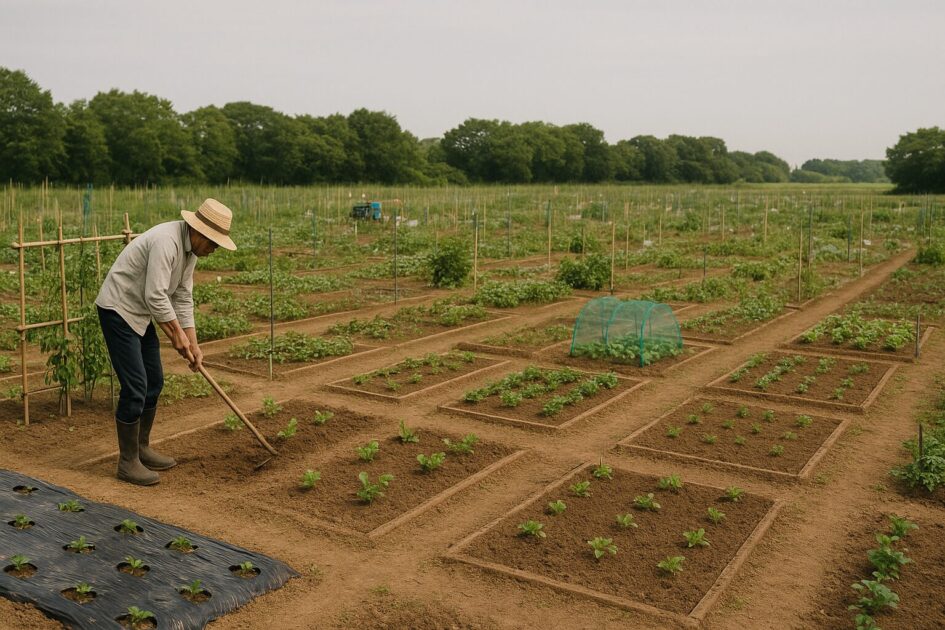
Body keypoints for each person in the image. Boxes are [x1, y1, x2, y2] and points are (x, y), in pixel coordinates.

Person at [95, 199, 237, 485]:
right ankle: (127, 462)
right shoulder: (166, 241)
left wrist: (193, 343)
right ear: (199, 233)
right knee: (135, 386)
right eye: (214, 243)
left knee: (154, 381)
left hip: (141, 314)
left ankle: (142, 448)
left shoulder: (191, 253)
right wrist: (176, 336)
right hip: (119, 310)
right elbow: (156, 295)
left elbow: (182, 297)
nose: (214, 250)